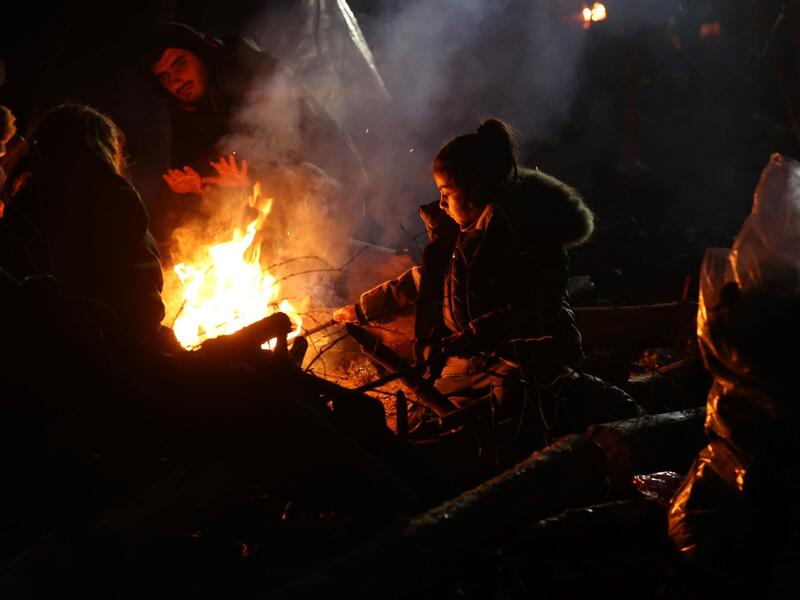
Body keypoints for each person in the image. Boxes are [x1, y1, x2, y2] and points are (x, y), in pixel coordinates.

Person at [334, 118, 608, 463]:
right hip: (472, 362)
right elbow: (425, 282)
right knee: (424, 422)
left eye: (446, 192)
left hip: (524, 363)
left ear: (474, 189)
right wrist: (362, 310)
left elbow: (535, 308)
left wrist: (475, 336)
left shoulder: (527, 236)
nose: (440, 203)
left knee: (498, 438)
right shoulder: (465, 233)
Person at [143, 23, 367, 254]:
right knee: (178, 212)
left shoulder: (251, 73)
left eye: (179, 65)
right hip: (265, 207)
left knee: (296, 181)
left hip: (334, 192)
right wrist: (196, 185)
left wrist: (252, 179)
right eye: (164, 77)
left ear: (201, 54)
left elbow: (289, 147)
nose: (175, 81)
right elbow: (202, 166)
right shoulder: (187, 112)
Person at [0, 104, 167, 349]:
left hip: (48, 354)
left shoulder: (24, 211)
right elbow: (143, 303)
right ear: (104, 150)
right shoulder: (119, 203)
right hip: (118, 353)